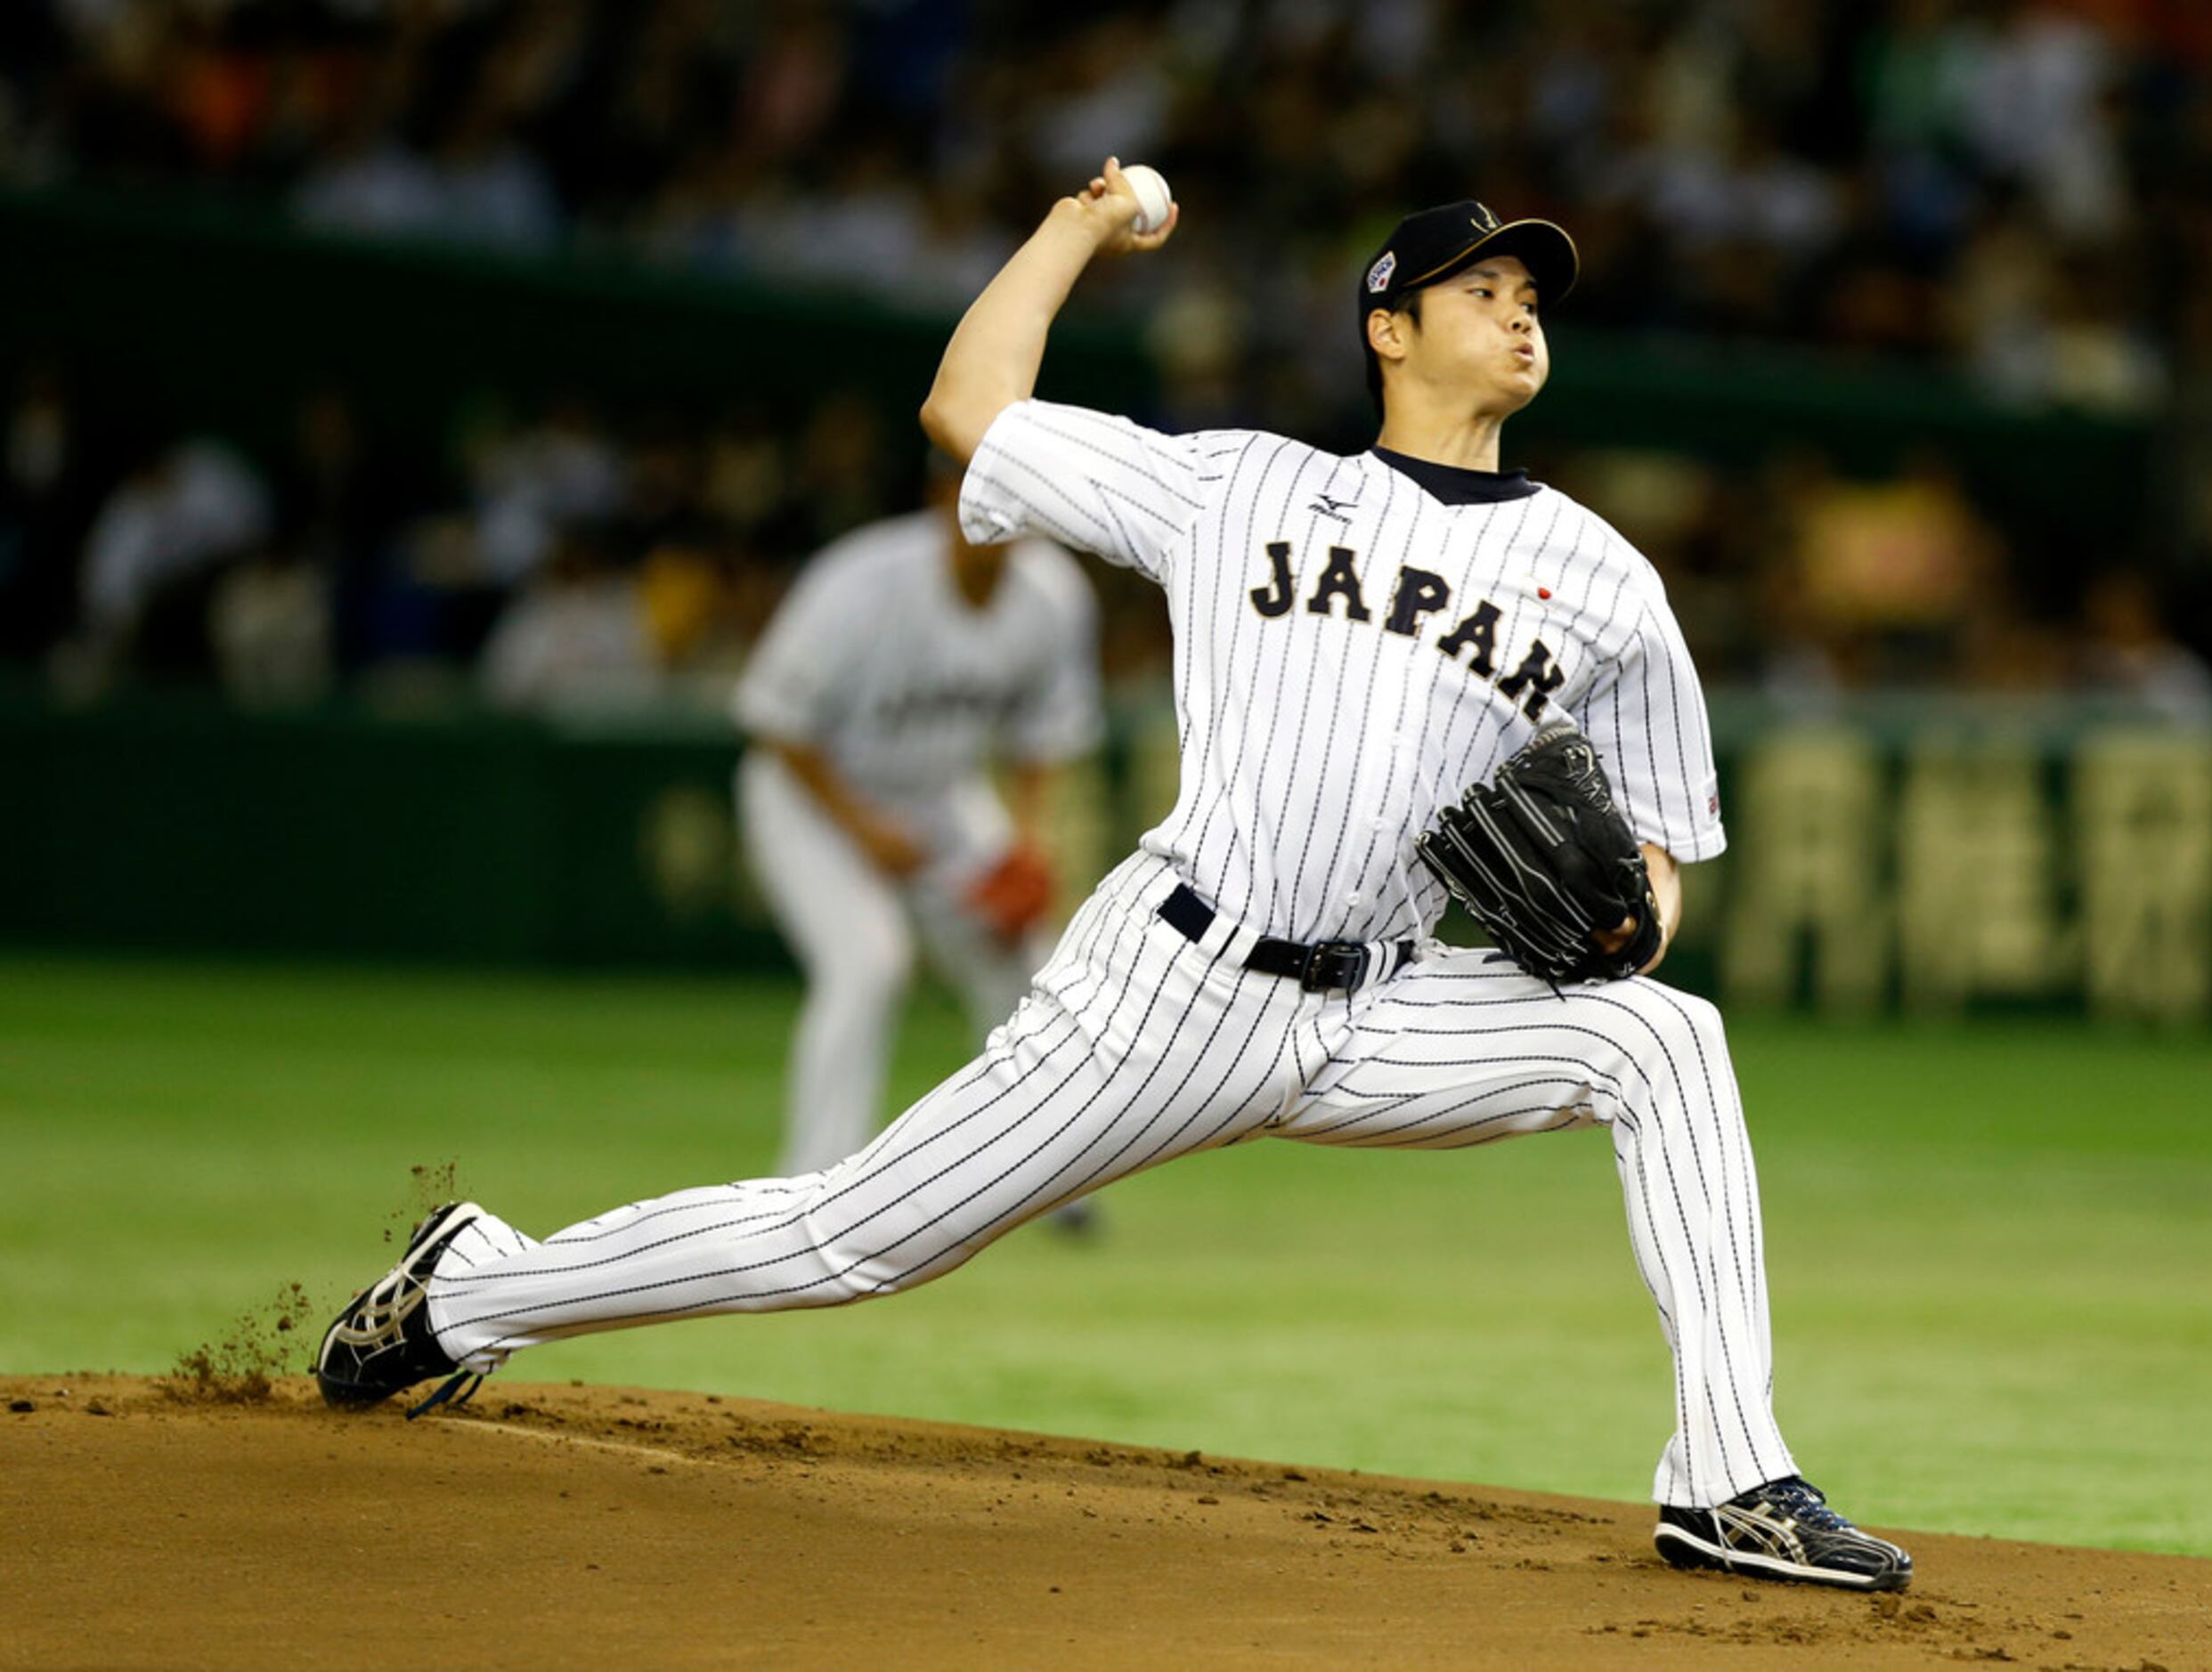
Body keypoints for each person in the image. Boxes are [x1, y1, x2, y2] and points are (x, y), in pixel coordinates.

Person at [317, 162, 1913, 1594]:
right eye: (1478, 288)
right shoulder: (1241, 487)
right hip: (1171, 983)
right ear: (1385, 327)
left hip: (1380, 1003)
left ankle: (1726, 1478)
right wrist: (1078, 226)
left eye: (1529, 297)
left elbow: (1653, 850)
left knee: (1663, 1038)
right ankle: (475, 1289)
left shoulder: (1608, 582)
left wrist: (1631, 919)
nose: (1514, 313)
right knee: (849, 1239)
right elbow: (968, 410)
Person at [732, 459, 1103, 1185]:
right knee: (868, 962)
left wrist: (1027, 844)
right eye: (975, 494)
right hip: (810, 798)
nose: (997, 517)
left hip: (941, 800)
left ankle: (1047, 1178)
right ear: (940, 499)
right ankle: (815, 1180)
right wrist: (861, 826)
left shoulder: (1053, 597)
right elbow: (772, 718)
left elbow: (1044, 737)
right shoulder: (861, 582)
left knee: (1031, 962)